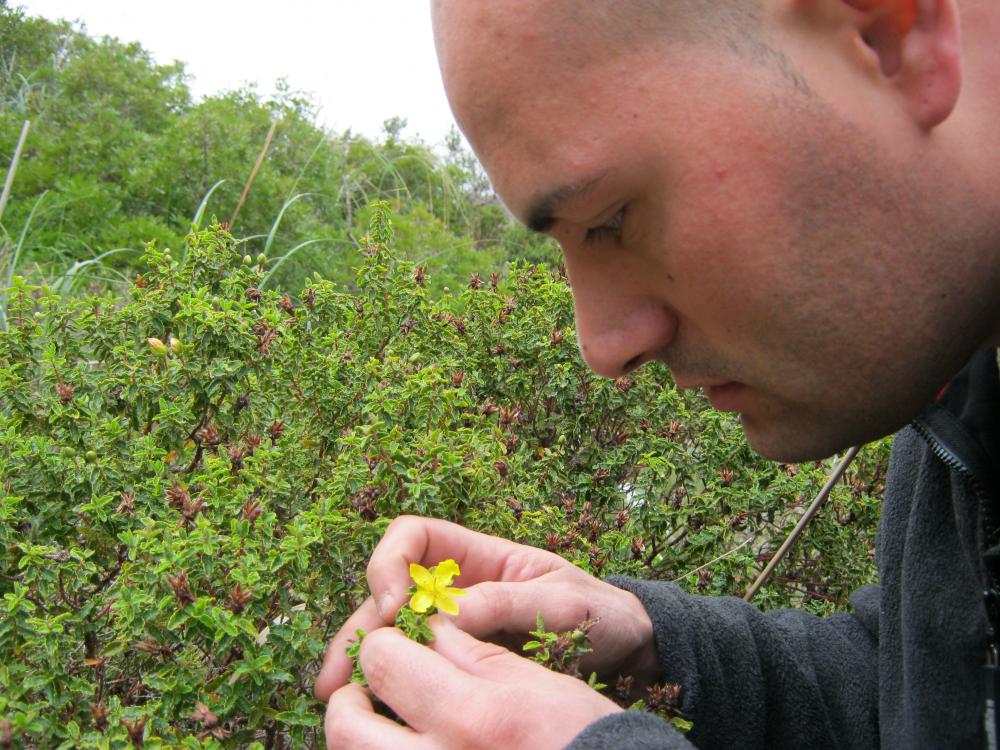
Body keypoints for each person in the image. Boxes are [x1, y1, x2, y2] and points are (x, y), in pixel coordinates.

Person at [315, 0, 1000, 746]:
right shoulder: (959, 350)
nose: (602, 347)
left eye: (611, 220)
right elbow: (919, 698)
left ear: (888, 33)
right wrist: (659, 649)